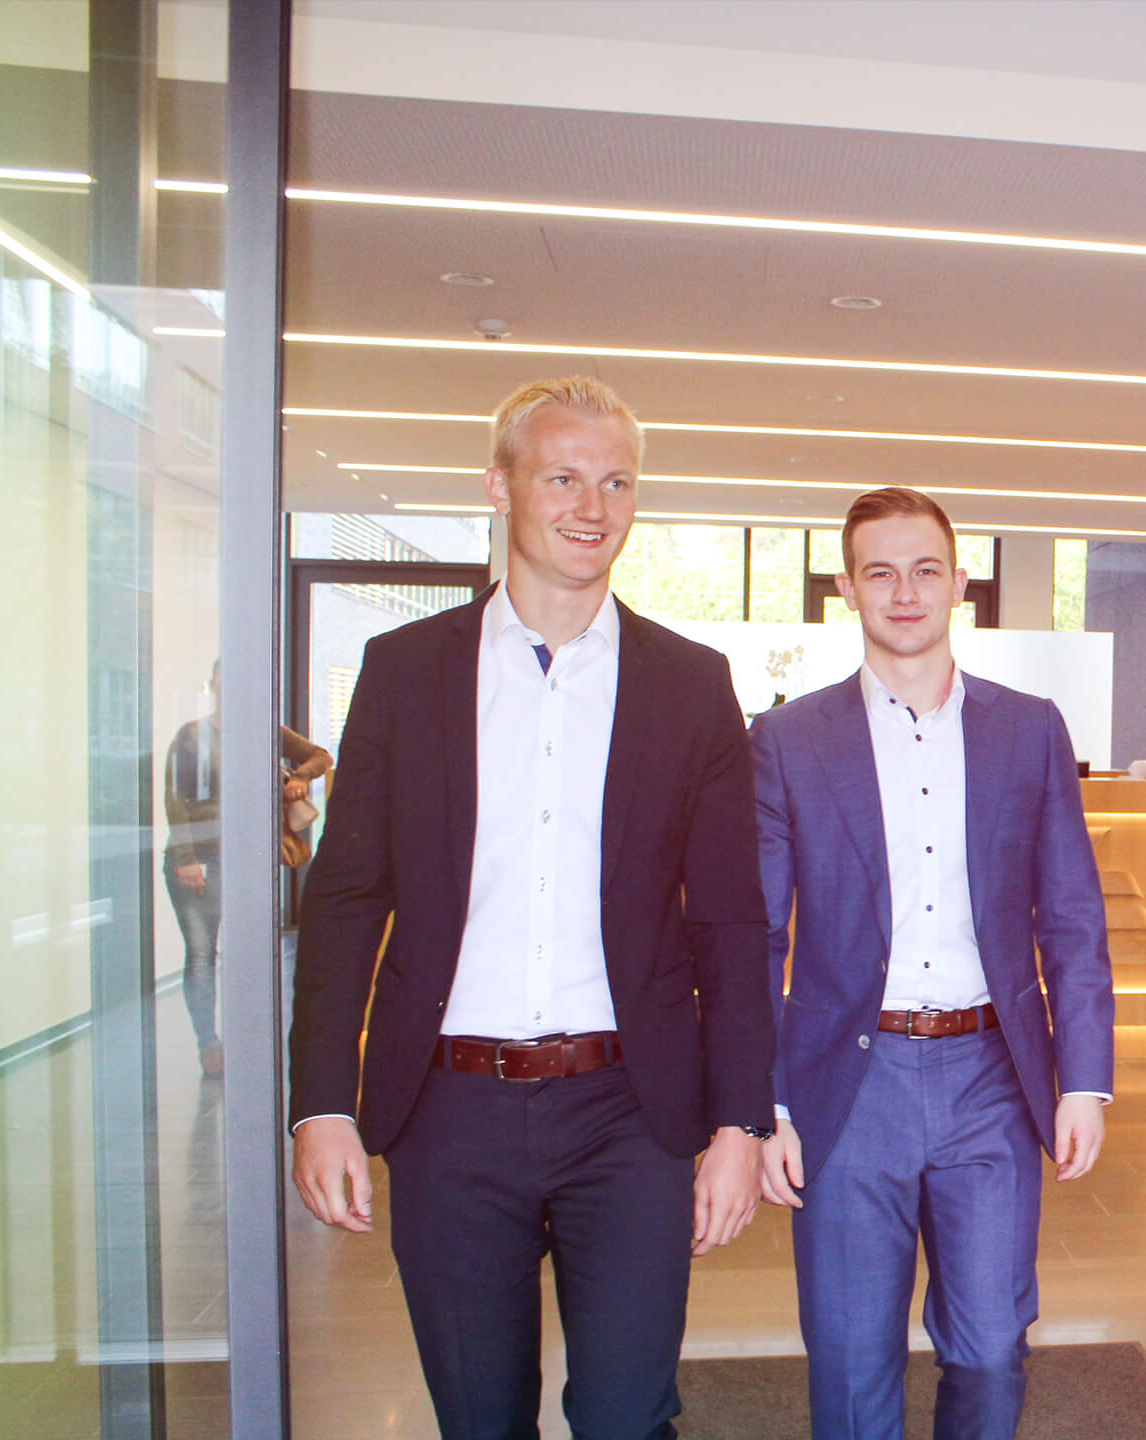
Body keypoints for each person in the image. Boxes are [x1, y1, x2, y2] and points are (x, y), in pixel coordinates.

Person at [285, 376, 773, 1439]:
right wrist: (321, 1104)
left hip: (628, 1115)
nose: (592, 506)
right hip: (447, 1114)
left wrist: (741, 1120)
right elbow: (346, 900)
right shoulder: (406, 671)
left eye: (616, 482)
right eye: (562, 477)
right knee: (478, 1418)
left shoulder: (690, 684)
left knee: (628, 1417)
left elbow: (732, 923)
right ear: (499, 487)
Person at [750, 486, 1115, 1440]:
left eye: (925, 571)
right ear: (846, 589)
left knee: (991, 1349)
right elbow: (759, 936)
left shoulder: (1029, 728)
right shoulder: (788, 740)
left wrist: (1085, 1082)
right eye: (880, 573)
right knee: (850, 1362)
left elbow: (1071, 915)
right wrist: (766, 1103)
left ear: (959, 584)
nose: (904, 593)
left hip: (990, 1076)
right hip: (845, 1084)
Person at [161, 659, 331, 1076]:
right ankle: (208, 1043)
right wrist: (186, 859)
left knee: (250, 953)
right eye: (223, 678)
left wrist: (299, 777)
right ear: (212, 684)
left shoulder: (266, 731)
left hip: (250, 861)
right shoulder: (191, 736)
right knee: (201, 955)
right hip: (200, 860)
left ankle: (248, 1042)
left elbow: (321, 756)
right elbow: (175, 798)